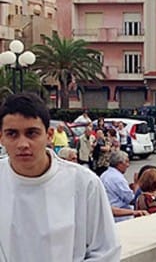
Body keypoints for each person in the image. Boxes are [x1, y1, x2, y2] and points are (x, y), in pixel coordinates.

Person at [0, 93, 119, 261]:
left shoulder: (84, 184)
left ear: (49, 135)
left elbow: (106, 251)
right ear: (1, 138)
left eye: (32, 133)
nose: (23, 144)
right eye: (12, 134)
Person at [100, 150, 142, 222]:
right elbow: (132, 199)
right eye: (126, 162)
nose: (128, 165)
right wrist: (137, 184)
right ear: (119, 163)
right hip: (121, 216)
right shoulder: (117, 178)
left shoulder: (104, 175)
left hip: (109, 213)